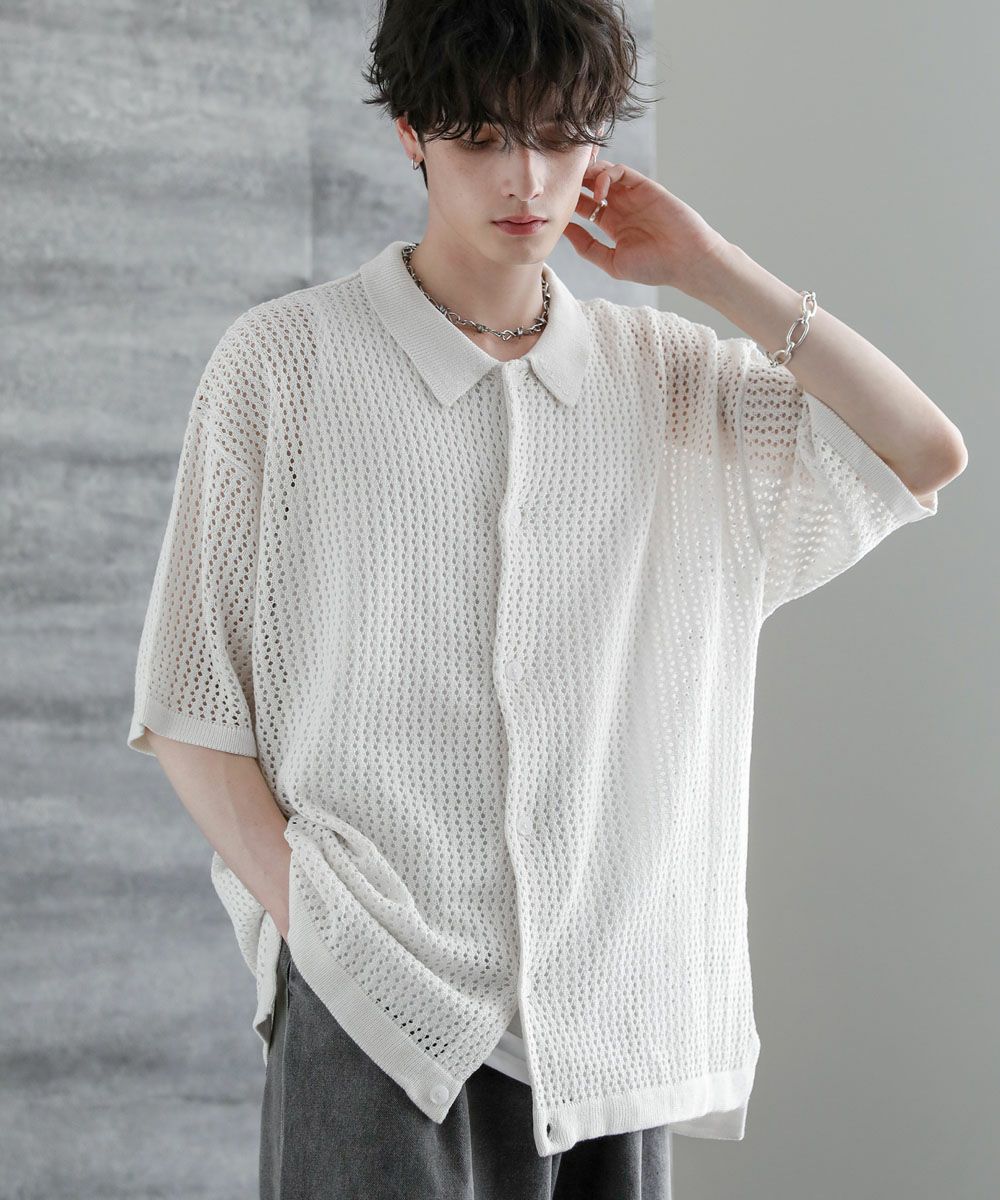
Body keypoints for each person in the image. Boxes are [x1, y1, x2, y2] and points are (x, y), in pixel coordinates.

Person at [126, 1, 968, 1197]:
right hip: (373, 1008)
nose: (525, 178)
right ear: (411, 134)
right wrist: (322, 928)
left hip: (608, 1018)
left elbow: (920, 451)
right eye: (481, 137)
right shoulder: (287, 365)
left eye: (560, 135)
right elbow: (191, 705)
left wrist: (705, 268)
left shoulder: (664, 377)